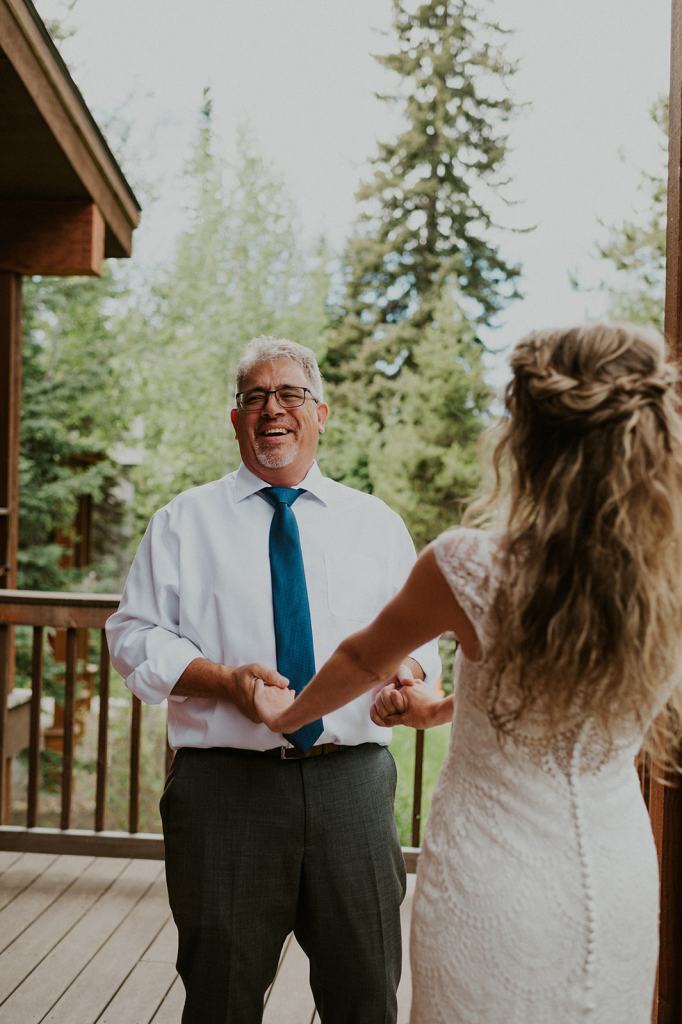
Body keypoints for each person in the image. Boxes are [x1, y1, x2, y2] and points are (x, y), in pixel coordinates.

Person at [257, 323, 682, 1024]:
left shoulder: (473, 565)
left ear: (531, 440)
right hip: (618, 876)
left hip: (495, 880)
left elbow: (363, 660)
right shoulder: (664, 580)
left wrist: (287, 713)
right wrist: (437, 707)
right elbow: (565, 696)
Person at [105, 336, 440, 1024]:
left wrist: (404, 679)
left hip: (352, 788)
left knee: (365, 997)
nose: (272, 409)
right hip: (224, 793)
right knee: (221, 999)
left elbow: (417, 642)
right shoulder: (182, 523)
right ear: (236, 420)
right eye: (255, 397)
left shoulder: (375, 525)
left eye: (290, 394)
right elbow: (133, 636)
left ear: (321, 414)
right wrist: (226, 682)